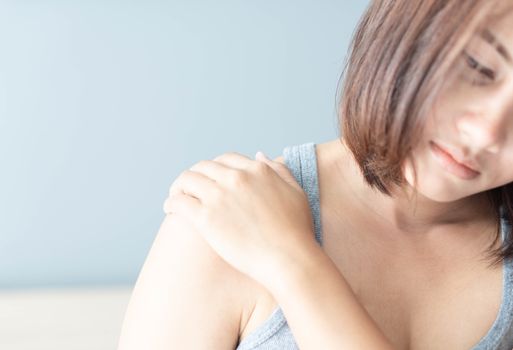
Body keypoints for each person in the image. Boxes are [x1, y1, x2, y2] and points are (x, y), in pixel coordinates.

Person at [117, 0, 513, 348]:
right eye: (478, 67)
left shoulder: (261, 239)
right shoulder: (223, 222)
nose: (486, 133)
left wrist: (292, 260)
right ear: (410, 29)